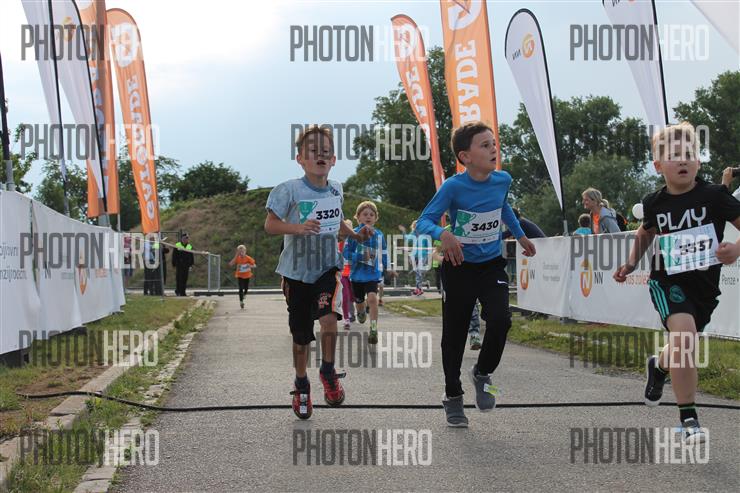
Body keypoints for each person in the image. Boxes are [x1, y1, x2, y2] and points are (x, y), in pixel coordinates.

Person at [614, 123, 740, 444]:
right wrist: (631, 263)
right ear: (658, 166)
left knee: (683, 342)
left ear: (698, 162)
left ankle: (659, 367)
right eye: (674, 156)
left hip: (705, 287)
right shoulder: (654, 202)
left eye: (689, 154)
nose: (683, 160)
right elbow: (646, 232)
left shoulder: (715, 196)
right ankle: (688, 418)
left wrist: (736, 249)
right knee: (685, 337)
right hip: (667, 279)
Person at [416, 121, 537, 427]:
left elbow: (502, 207)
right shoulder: (453, 187)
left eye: (494, 143)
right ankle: (453, 395)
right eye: (485, 145)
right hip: (459, 267)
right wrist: (444, 234)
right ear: (465, 156)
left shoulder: (503, 179)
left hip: (491, 264)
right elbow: (423, 222)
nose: (494, 149)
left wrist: (520, 235)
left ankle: (482, 374)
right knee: (454, 336)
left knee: (501, 319)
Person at [264, 125, 371, 420]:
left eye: (326, 151)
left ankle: (328, 371)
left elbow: (338, 222)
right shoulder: (288, 190)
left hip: (327, 267)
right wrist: (297, 228)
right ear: (300, 159)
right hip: (296, 273)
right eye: (313, 151)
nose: (320, 156)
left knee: (328, 318)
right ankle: (301, 384)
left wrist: (356, 235)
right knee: (301, 337)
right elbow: (270, 225)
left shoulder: (336, 188)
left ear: (334, 159)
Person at [343, 201, 390, 345]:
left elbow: (384, 252)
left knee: (372, 299)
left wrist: (387, 268)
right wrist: (360, 256)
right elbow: (346, 253)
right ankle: (361, 312)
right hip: (356, 275)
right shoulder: (353, 234)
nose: (368, 217)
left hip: (372, 274)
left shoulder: (379, 235)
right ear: (358, 217)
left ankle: (373, 329)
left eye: (371, 214)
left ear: (376, 218)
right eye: (365, 214)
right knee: (359, 301)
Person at [338, 219, 356, 330]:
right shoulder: (338, 242)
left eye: (349, 228)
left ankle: (358, 310)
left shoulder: (354, 242)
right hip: (343, 273)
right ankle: (346, 318)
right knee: (345, 296)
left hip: (354, 273)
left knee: (354, 296)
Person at [228, 244, 256, 309]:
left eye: (242, 252)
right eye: (240, 252)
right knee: (240, 288)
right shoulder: (237, 258)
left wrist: (250, 266)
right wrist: (236, 256)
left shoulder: (248, 258)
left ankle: (245, 294)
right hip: (240, 275)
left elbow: (254, 265)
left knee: (246, 288)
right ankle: (241, 302)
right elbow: (230, 264)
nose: (241, 253)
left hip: (247, 275)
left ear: (245, 251)